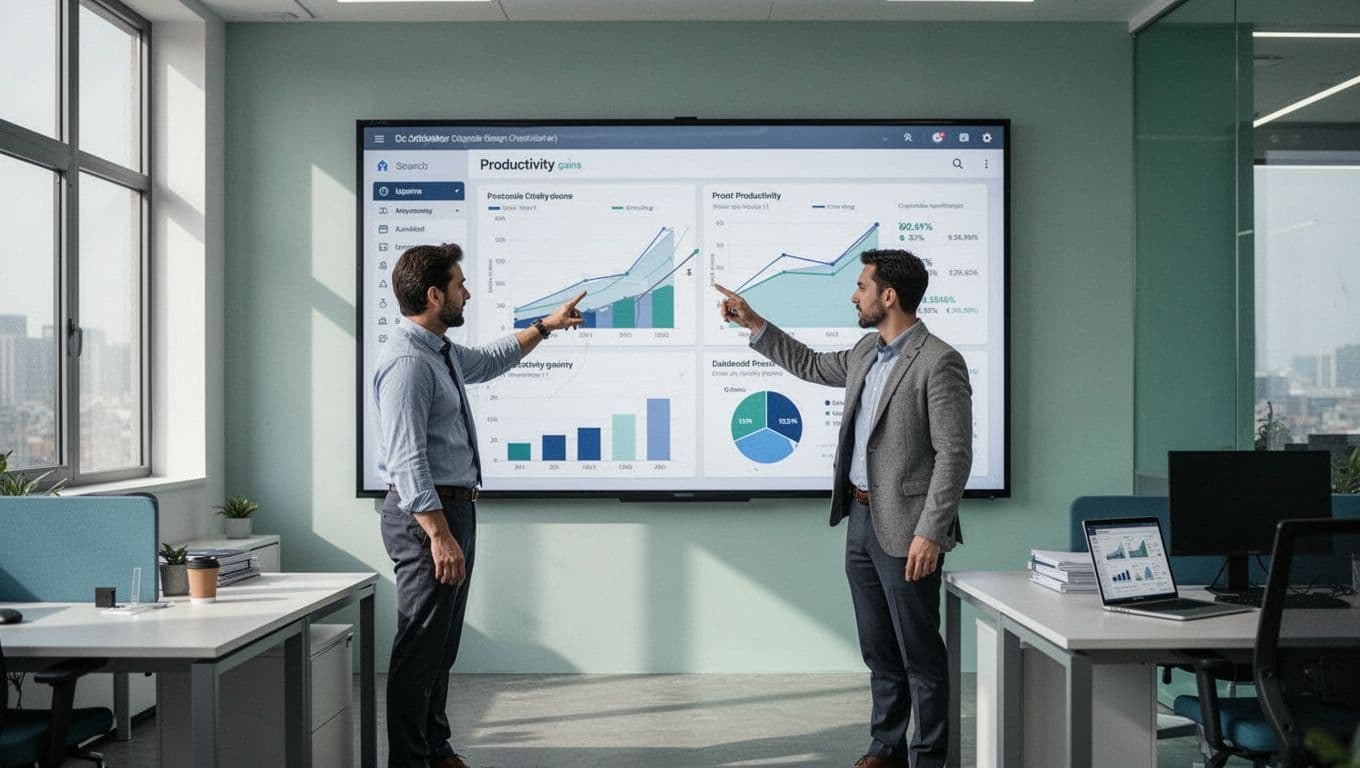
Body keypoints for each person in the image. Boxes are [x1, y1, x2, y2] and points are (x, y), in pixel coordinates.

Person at [716, 249, 971, 768]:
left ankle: (929, 759)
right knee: (879, 651)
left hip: (909, 531)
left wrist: (931, 531)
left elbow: (955, 454)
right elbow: (810, 365)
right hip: (859, 520)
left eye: (861, 286)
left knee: (921, 656)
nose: (854, 294)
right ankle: (886, 748)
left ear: (889, 295)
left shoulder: (938, 360)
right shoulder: (864, 351)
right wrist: (754, 322)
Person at [374, 243, 584, 768]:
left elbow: (490, 361)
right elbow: (406, 458)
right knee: (420, 648)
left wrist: (546, 326)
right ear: (433, 294)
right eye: (460, 283)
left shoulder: (437, 351)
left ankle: (434, 748)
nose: (467, 292)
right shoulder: (407, 362)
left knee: (441, 646)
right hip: (428, 518)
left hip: (453, 511)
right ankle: (409, 759)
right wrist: (439, 533)